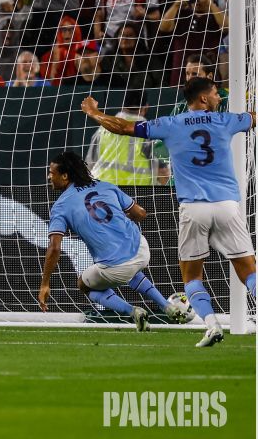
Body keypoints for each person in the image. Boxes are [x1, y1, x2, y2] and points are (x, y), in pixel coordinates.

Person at [82, 81, 257, 348]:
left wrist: (95, 113)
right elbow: (253, 119)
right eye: (214, 94)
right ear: (202, 98)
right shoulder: (226, 120)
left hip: (194, 208)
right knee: (249, 272)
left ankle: (211, 326)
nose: (218, 98)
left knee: (192, 278)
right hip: (227, 206)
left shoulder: (170, 124)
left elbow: (123, 127)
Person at [38, 151, 179, 330]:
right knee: (132, 269)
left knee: (83, 284)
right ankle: (166, 306)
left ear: (65, 176)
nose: (49, 176)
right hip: (142, 250)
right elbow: (141, 214)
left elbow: (54, 248)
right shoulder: (106, 186)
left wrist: (45, 284)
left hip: (115, 268)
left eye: (52, 172)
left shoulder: (60, 206)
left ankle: (132, 311)